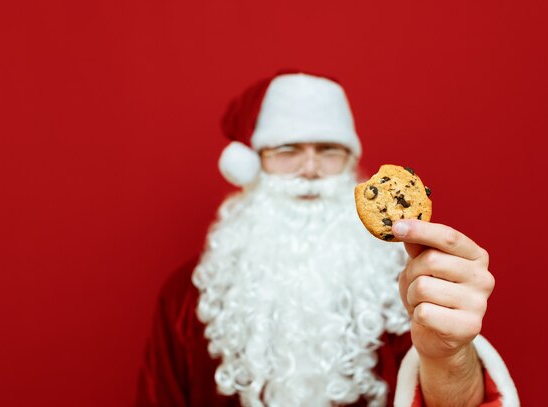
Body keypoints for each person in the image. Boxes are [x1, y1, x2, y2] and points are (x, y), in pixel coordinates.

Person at [136, 72, 519, 406]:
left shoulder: (403, 289)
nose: (310, 170)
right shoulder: (185, 300)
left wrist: (449, 358)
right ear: (253, 164)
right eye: (287, 150)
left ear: (351, 164)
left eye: (328, 151)